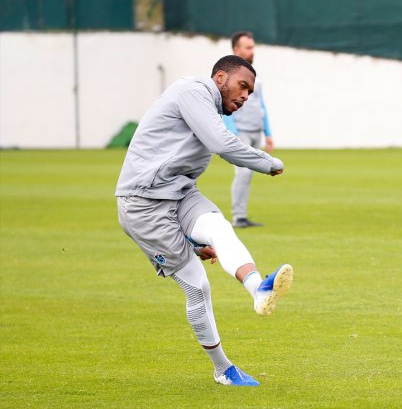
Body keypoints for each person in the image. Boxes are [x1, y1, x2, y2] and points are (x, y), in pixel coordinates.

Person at [115, 55, 293, 386]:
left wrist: (195, 241)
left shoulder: (209, 109)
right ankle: (223, 369)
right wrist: (270, 163)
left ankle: (258, 289)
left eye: (251, 92)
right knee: (198, 285)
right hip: (143, 203)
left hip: (180, 194)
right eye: (242, 86)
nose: (244, 96)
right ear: (220, 77)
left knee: (218, 228)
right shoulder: (193, 90)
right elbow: (221, 144)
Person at [223, 31, 274, 228]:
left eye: (253, 47)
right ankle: (238, 217)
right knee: (243, 174)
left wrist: (268, 132)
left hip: (255, 130)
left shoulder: (254, 75)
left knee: (248, 175)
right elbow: (223, 104)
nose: (252, 51)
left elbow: (261, 105)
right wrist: (232, 132)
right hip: (240, 132)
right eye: (248, 47)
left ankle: (241, 214)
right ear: (237, 49)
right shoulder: (229, 75)